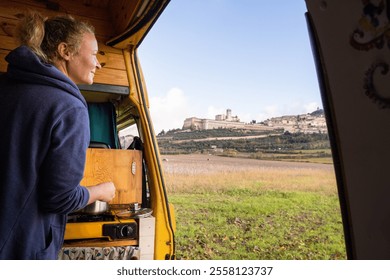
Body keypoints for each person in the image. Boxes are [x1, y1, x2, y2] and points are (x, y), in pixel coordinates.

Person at [0, 12, 116, 259]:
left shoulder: (7, 87)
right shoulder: (69, 107)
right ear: (65, 51)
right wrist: (101, 191)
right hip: (20, 248)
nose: (98, 64)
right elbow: (60, 198)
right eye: (94, 54)